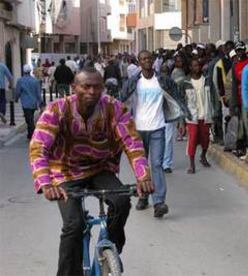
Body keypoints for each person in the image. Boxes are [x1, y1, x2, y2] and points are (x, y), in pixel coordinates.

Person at [29, 67, 153, 275]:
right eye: (86, 86)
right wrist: (46, 183)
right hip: (64, 172)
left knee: (122, 202)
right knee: (73, 226)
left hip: (99, 168)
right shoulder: (56, 110)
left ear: (103, 88)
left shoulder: (116, 109)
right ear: (74, 87)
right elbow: (38, 147)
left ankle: (110, 249)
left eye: (97, 87)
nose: (91, 92)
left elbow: (132, 143)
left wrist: (144, 177)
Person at [122, 50, 189, 217]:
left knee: (157, 165)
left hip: (158, 127)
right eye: (143, 59)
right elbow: (121, 101)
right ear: (139, 62)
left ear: (152, 61)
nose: (146, 61)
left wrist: (182, 120)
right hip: (138, 130)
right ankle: (143, 196)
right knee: (141, 165)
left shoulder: (163, 80)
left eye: (148, 59)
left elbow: (178, 98)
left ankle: (159, 202)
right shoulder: (133, 82)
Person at [180, 58, 214, 174]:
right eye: (194, 66)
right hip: (192, 116)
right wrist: (181, 121)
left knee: (205, 139)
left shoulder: (207, 80)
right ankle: (191, 164)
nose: (197, 68)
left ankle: (203, 155)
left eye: (199, 65)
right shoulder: (185, 82)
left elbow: (213, 97)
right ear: (190, 67)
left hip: (206, 114)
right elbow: (182, 102)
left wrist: (215, 113)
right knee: (193, 139)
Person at [14, 64, 42, 140]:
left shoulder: (20, 80)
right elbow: (38, 93)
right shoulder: (35, 81)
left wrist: (16, 99)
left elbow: (17, 92)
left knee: (29, 120)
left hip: (25, 103)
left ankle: (32, 134)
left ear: (23, 71)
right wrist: (41, 103)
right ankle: (30, 134)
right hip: (33, 103)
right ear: (30, 71)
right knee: (30, 118)